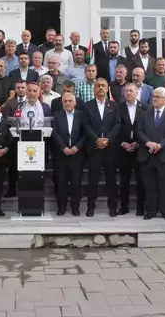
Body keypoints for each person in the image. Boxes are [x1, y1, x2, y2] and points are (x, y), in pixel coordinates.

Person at [136, 87, 165, 220]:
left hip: (164, 155)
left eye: (157, 97)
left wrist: (161, 145)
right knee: (150, 186)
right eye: (153, 96)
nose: (154, 99)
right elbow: (138, 131)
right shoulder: (144, 113)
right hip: (147, 154)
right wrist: (148, 143)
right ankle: (151, 210)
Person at [83, 78, 121, 217]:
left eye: (103, 86)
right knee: (93, 179)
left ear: (107, 89)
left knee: (111, 178)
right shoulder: (87, 106)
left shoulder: (114, 106)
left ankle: (112, 207)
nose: (100, 88)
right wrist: (97, 139)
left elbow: (117, 125)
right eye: (98, 86)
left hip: (110, 148)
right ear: (94, 89)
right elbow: (86, 125)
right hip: (94, 147)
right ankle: (90, 206)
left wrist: (107, 140)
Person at [51, 93, 86, 216]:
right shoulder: (57, 115)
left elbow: (85, 133)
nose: (68, 103)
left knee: (76, 182)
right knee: (61, 182)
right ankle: (61, 207)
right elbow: (54, 133)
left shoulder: (81, 115)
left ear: (75, 102)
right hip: (61, 155)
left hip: (77, 155)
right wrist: (63, 147)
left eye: (70, 100)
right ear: (62, 103)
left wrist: (77, 147)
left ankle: (75, 207)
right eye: (65, 101)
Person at [117, 84, 148, 216]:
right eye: (126, 91)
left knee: (141, 179)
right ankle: (124, 207)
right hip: (124, 148)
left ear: (137, 93)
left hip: (139, 148)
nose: (128, 93)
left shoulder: (145, 108)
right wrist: (122, 143)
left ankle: (141, 207)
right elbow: (116, 128)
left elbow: (147, 129)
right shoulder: (119, 108)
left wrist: (139, 143)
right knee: (124, 179)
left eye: (131, 91)